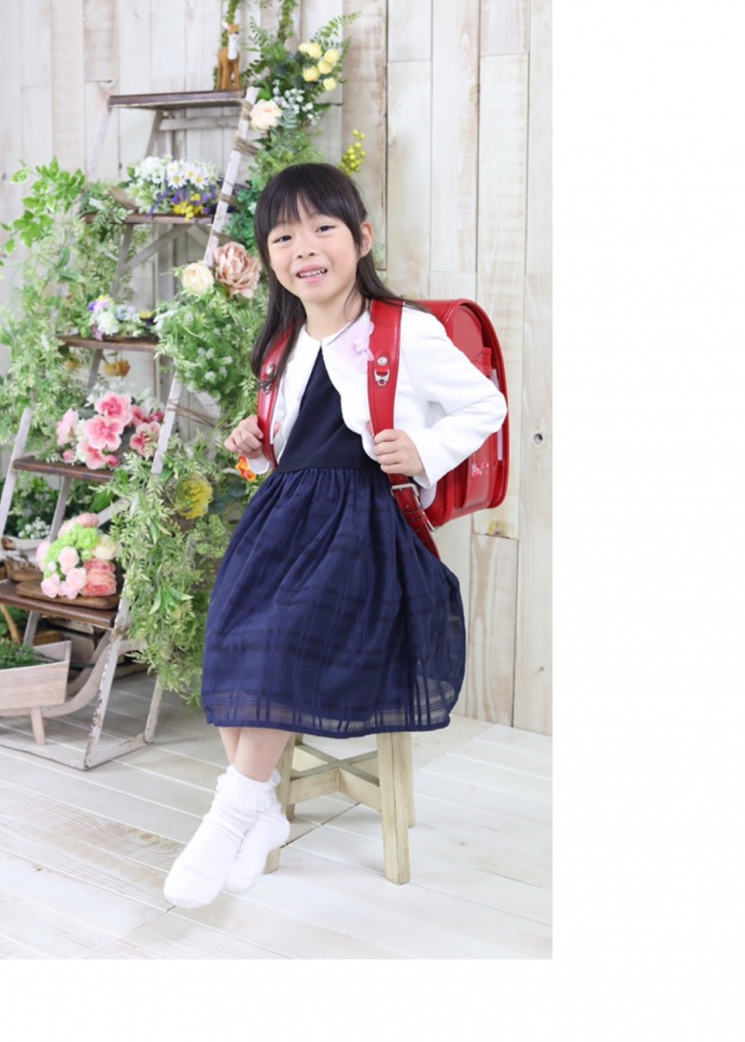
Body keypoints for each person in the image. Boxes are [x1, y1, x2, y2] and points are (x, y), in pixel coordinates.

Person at [162, 163, 507, 909]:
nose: (305, 248)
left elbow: (486, 405)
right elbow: (294, 441)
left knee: (278, 639)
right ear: (269, 257)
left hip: (365, 532)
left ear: (362, 238)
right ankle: (260, 809)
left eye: (323, 228)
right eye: (284, 236)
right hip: (284, 520)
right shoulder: (281, 343)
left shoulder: (404, 331)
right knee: (229, 635)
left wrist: (424, 449)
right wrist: (256, 440)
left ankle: (232, 815)